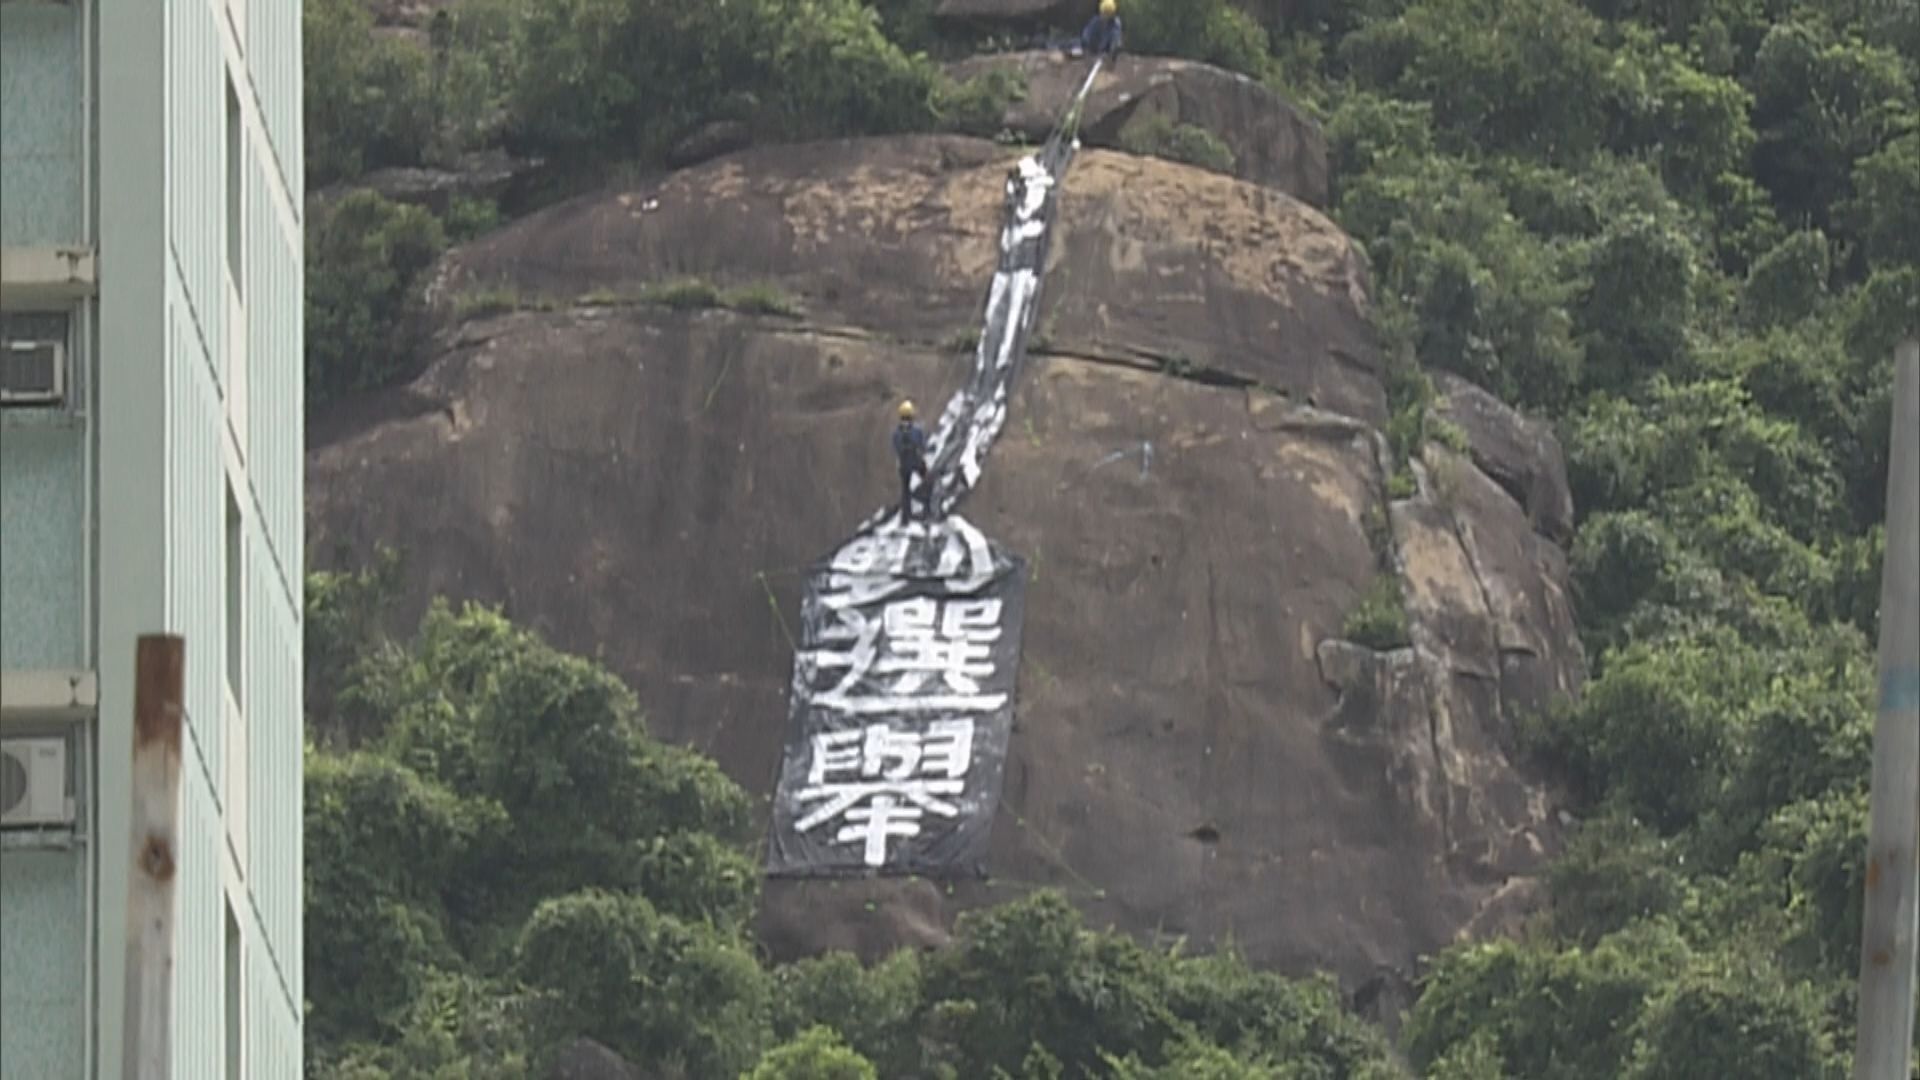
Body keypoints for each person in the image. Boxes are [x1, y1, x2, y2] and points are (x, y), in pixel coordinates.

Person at [892, 400, 931, 524]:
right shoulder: (916, 430)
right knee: (927, 481)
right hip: (916, 461)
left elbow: (896, 448)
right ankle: (927, 510)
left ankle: (905, 517)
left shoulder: (896, 433)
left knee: (905, 491)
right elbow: (922, 445)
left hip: (904, 465)